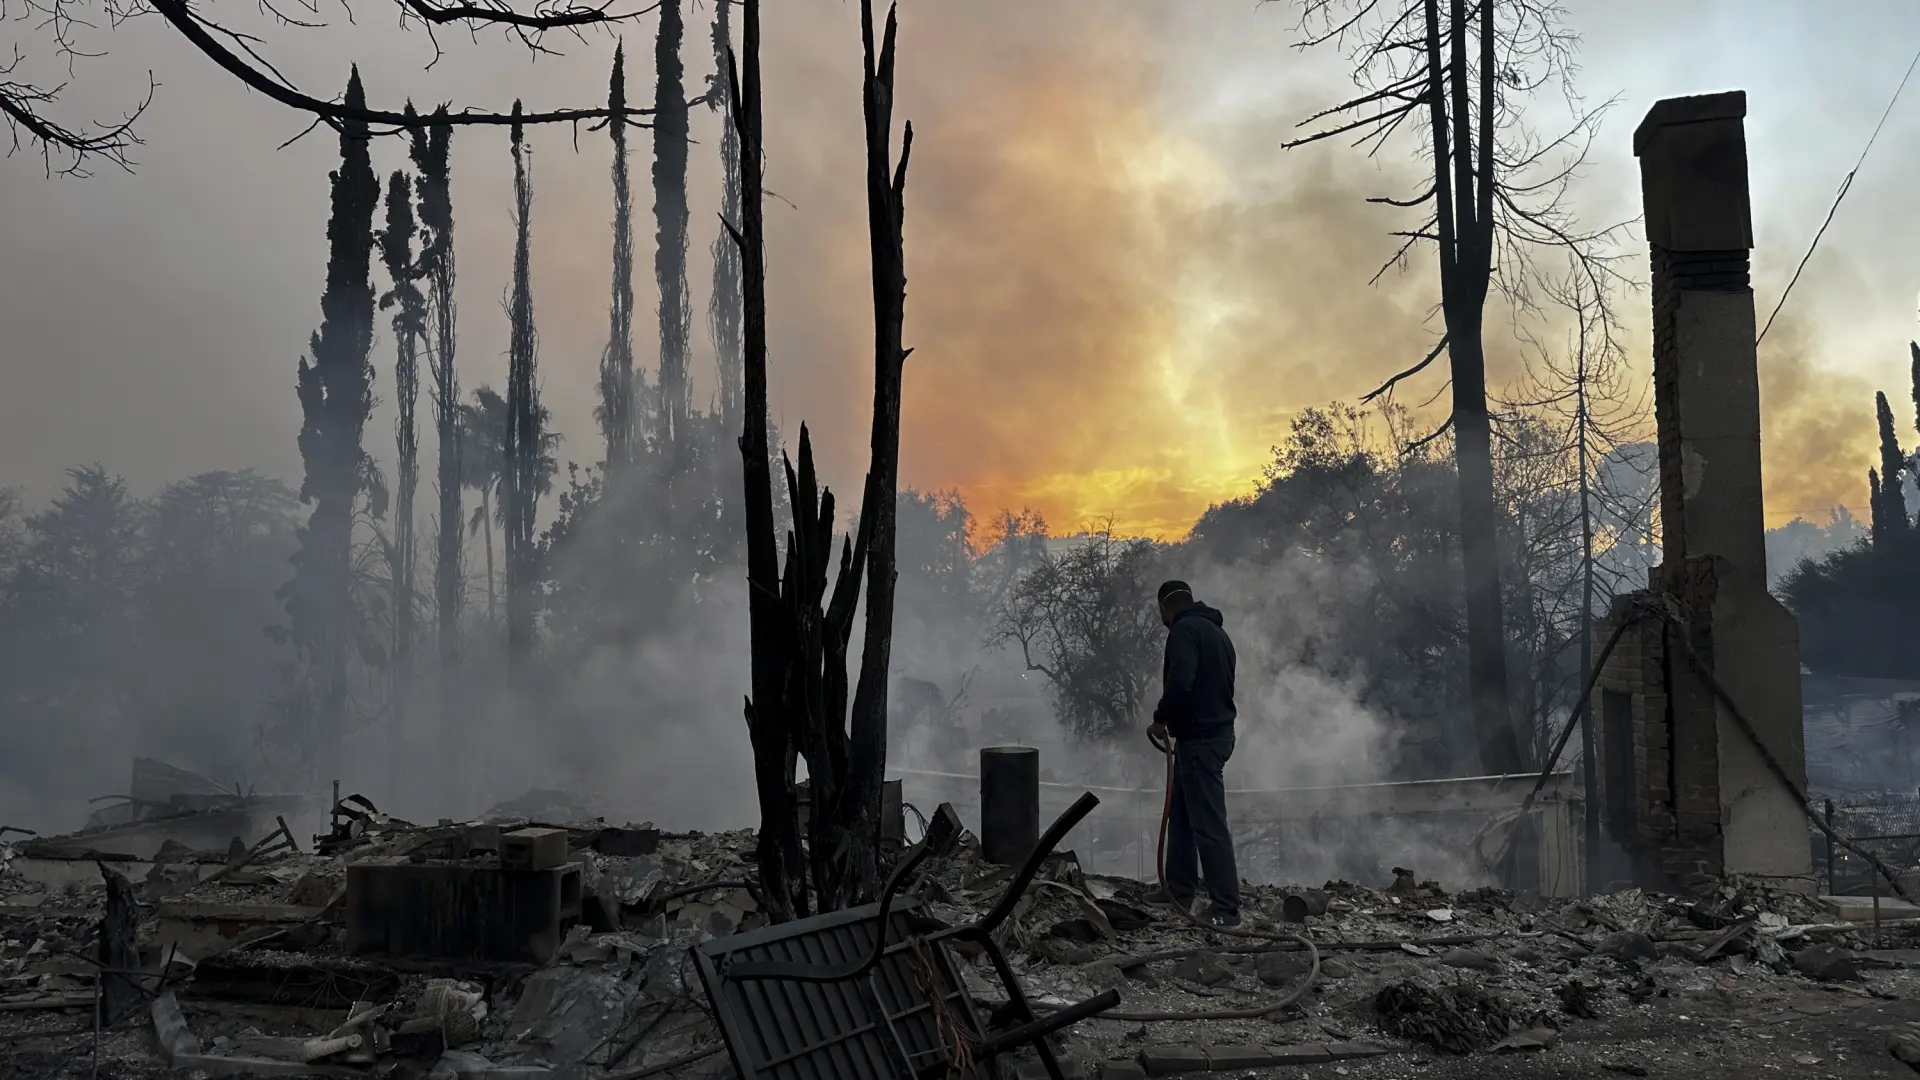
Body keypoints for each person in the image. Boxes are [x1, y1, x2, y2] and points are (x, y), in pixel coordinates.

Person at [1146, 579, 1241, 927]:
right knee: (1182, 817)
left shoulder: (1183, 631)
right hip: (1210, 736)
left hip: (1201, 740)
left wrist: (1160, 719)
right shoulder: (1218, 633)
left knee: (1208, 824)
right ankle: (1179, 889)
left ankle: (1226, 909)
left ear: (1164, 608)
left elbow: (1181, 682)